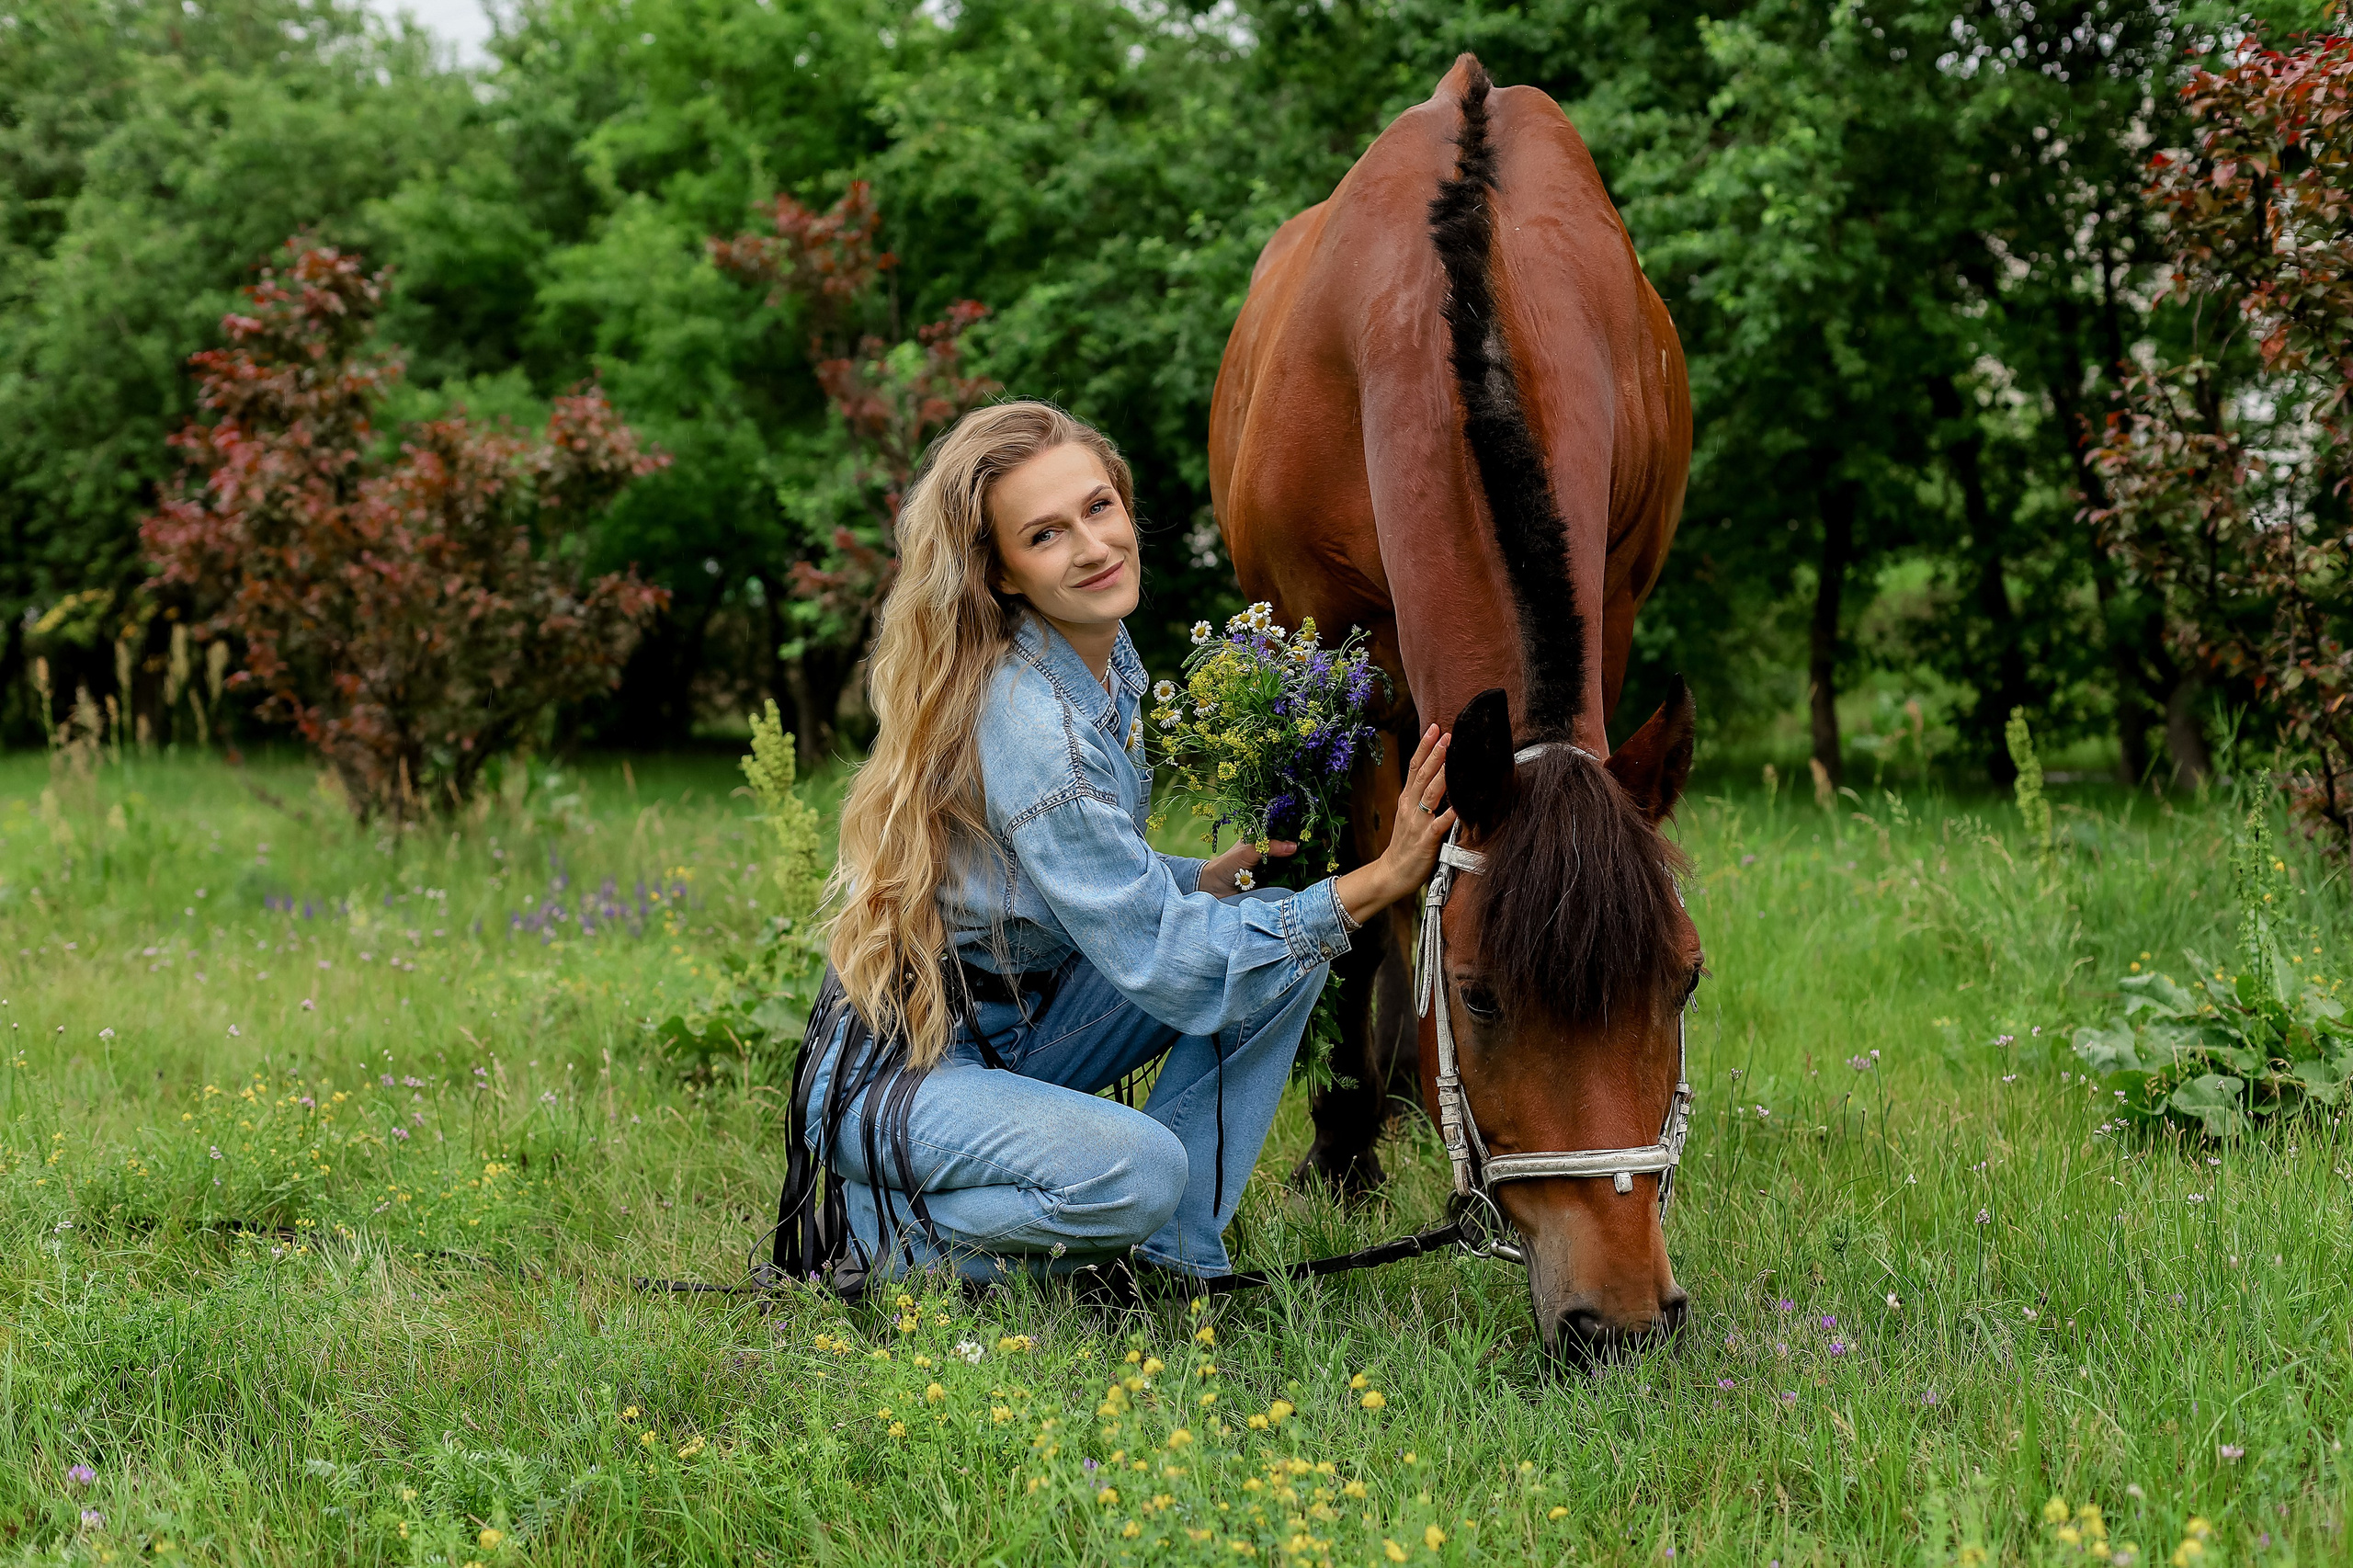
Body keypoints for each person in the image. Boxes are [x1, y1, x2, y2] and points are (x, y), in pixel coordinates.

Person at [797, 401, 1454, 1292]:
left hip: (1020, 1021)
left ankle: (1168, 1258)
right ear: (1001, 574)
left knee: (1279, 943)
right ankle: (892, 1236)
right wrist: (1378, 879)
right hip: (907, 1067)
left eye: (1098, 507)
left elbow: (1047, 878)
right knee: (1139, 1167)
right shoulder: (1041, 731)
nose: (1093, 547)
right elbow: (1171, 969)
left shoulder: (1096, 659)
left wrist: (1193, 878)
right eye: (1045, 533)